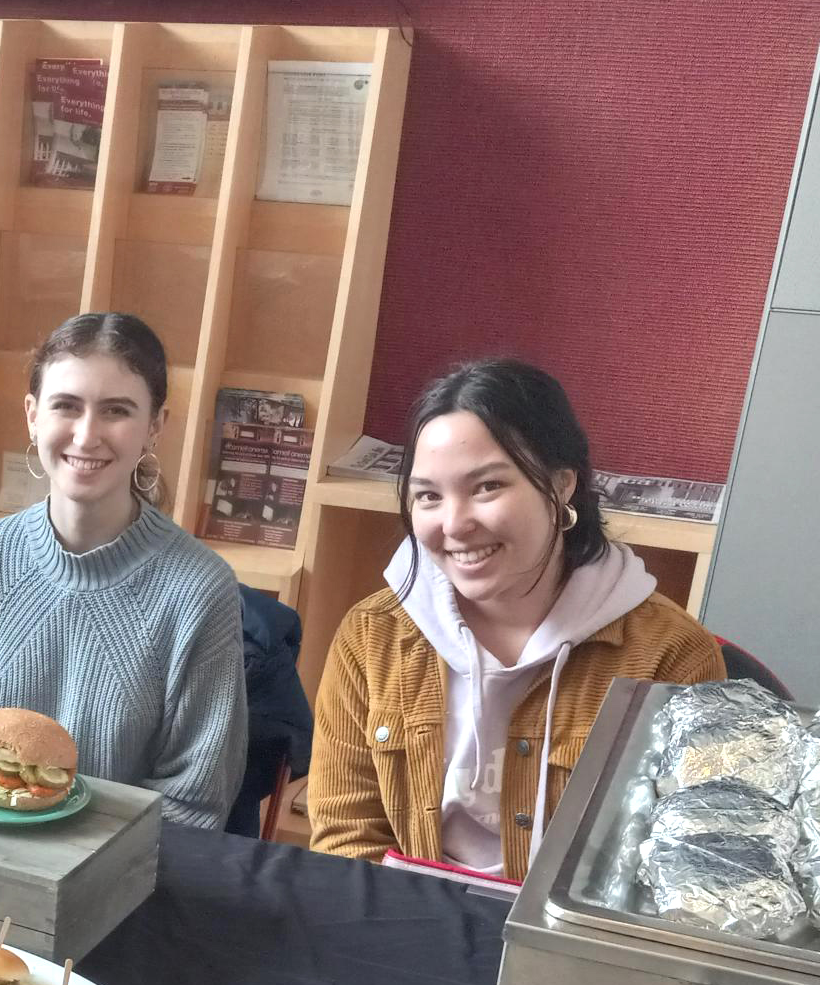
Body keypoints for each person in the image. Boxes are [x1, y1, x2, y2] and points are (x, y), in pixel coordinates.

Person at [308, 358, 725, 879]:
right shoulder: (373, 634)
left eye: (487, 487)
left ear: (561, 486)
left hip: (567, 943)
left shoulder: (669, 654)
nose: (455, 525)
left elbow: (681, 858)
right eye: (428, 496)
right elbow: (347, 832)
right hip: (407, 922)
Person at [0, 313, 248, 828]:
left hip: (130, 873)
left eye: (116, 411)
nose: (86, 435)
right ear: (33, 415)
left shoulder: (200, 589)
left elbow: (194, 805)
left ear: (155, 426)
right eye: (66, 406)